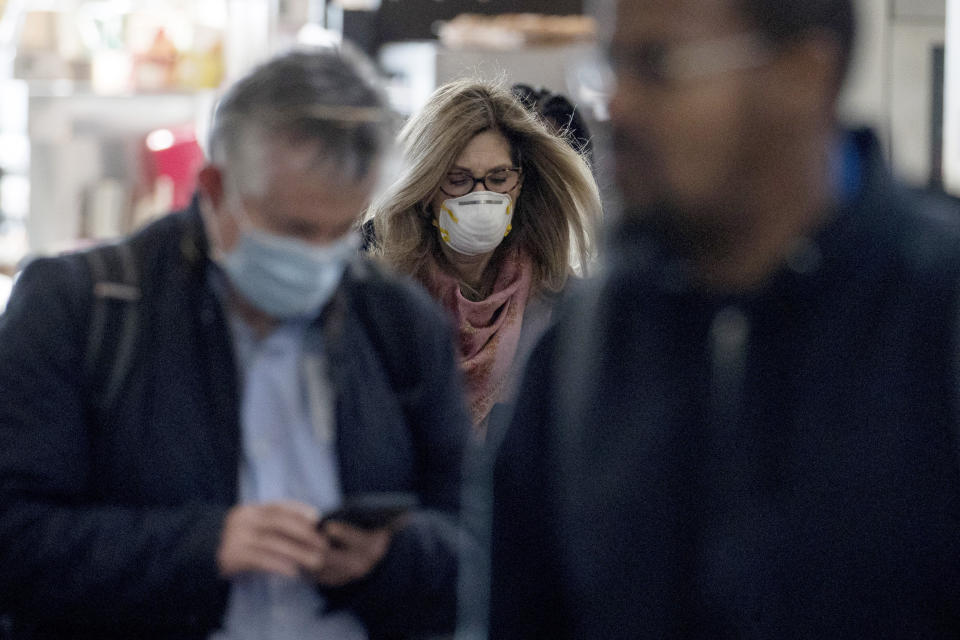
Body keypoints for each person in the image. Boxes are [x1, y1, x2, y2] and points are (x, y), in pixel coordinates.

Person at [483, 0, 960, 638]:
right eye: (612, 65)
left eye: (658, 65)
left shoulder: (936, 316)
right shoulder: (585, 349)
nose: (615, 105)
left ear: (803, 75)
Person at [0, 46, 470, 639]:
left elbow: (474, 538)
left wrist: (388, 557)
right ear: (215, 187)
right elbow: (15, 540)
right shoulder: (81, 307)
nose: (318, 258)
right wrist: (203, 545)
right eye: (296, 229)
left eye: (341, 231)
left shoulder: (398, 320)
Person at [367, 79, 601, 431]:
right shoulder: (381, 302)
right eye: (459, 179)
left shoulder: (557, 306)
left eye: (498, 177)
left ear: (519, 184)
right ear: (425, 190)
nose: (482, 196)